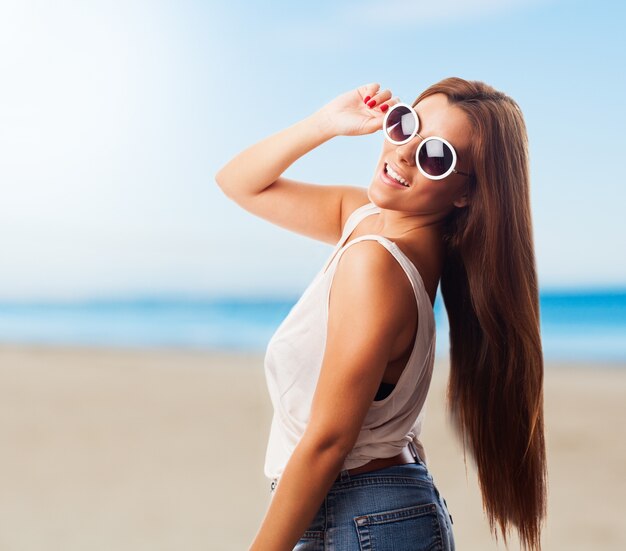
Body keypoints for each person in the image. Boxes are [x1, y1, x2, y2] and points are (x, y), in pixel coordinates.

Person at [215, 77, 547, 551]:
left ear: (466, 194)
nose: (406, 151)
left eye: (437, 156)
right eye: (405, 124)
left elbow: (328, 442)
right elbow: (239, 182)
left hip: (362, 521)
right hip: (368, 518)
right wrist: (324, 123)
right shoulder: (364, 218)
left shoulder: (379, 265)